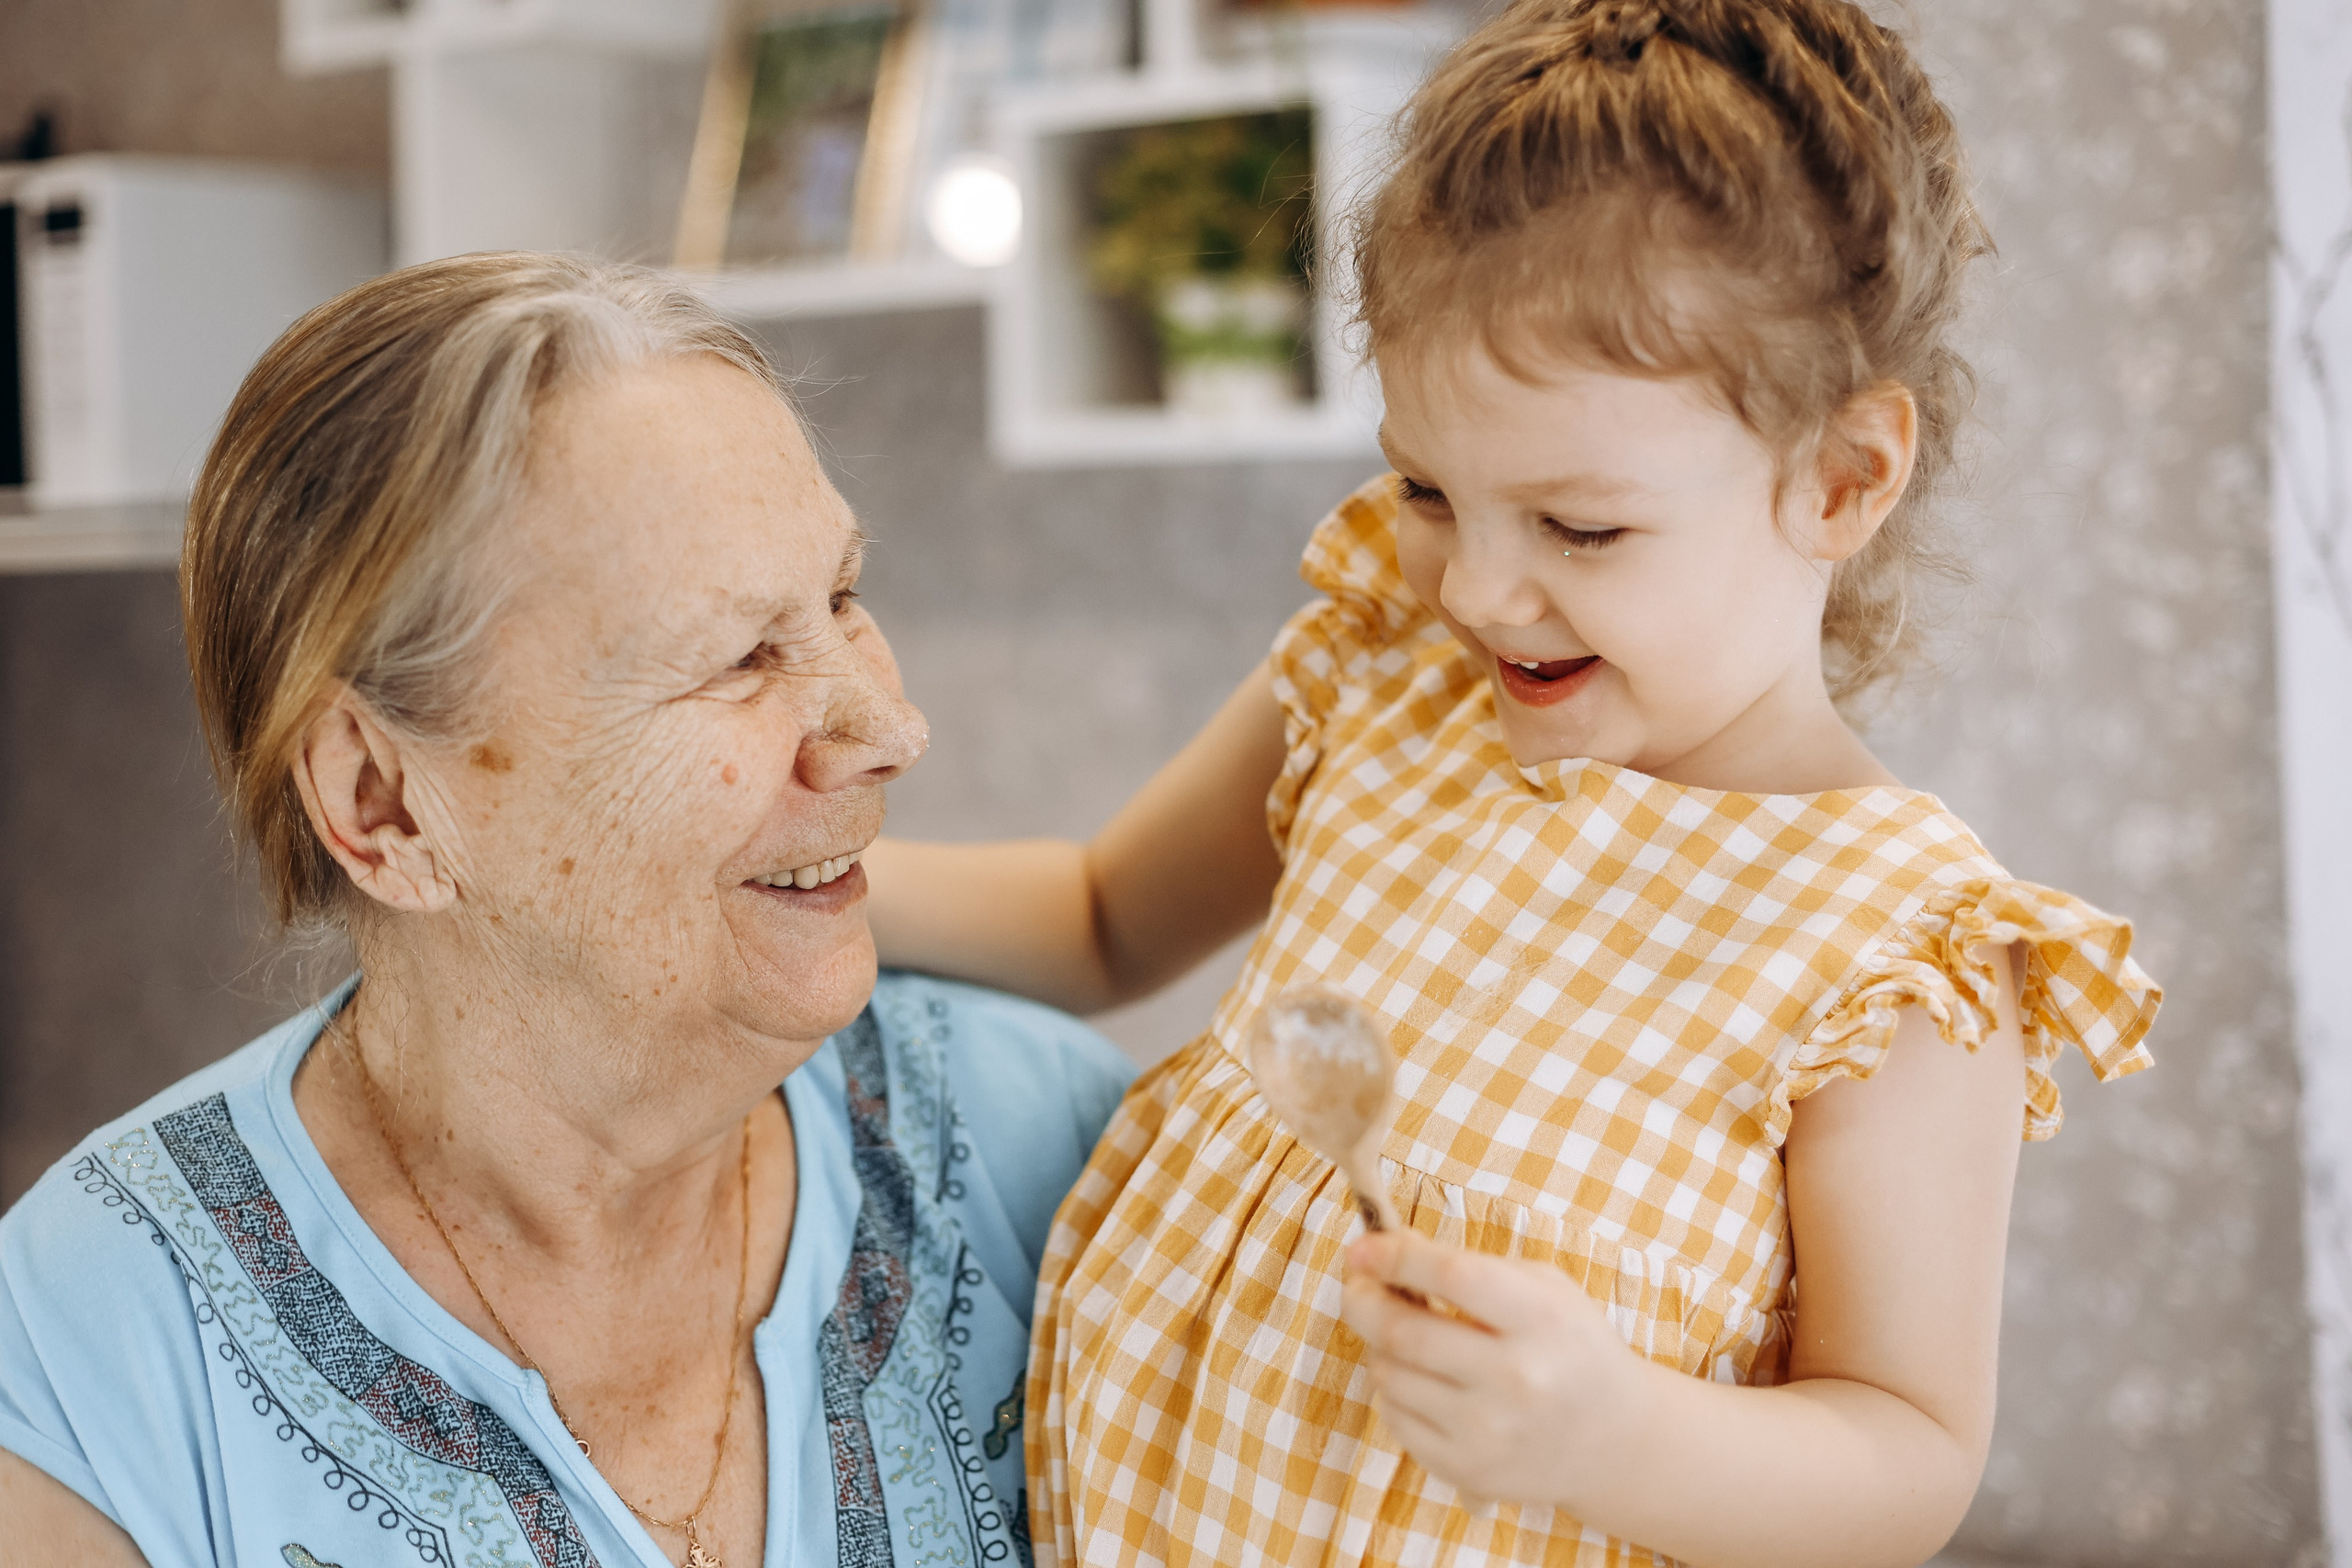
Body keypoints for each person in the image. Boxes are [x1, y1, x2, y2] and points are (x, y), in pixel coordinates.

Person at [863, 2, 2164, 1562]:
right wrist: (802, 883)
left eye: (1580, 529)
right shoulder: (1388, 678)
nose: (1475, 590)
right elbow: (1097, 919)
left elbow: (1907, 1451)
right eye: (1426, 489)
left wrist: (1617, 1437)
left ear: (1839, 480)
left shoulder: (1897, 958)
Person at [0, 254, 1133, 1568]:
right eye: (739, 658)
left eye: (841, 597)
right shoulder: (88, 1357)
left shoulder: (1048, 1149)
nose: (891, 728)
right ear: (386, 807)